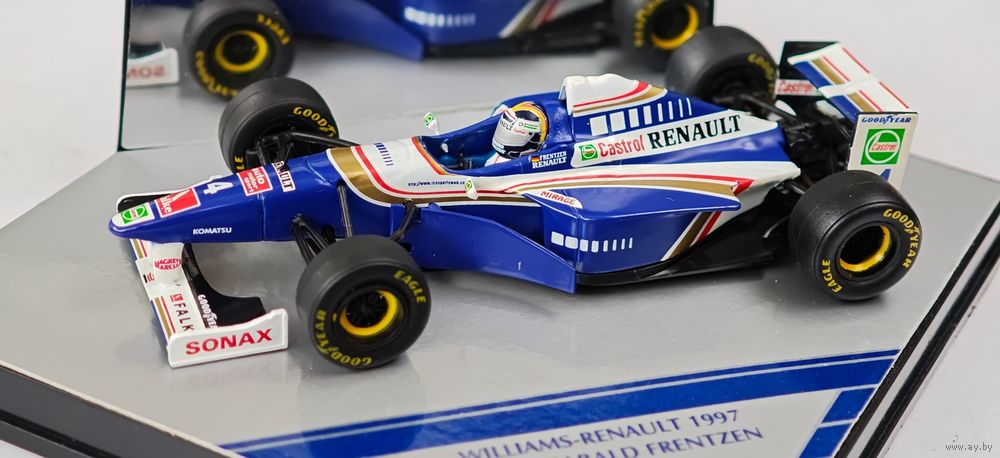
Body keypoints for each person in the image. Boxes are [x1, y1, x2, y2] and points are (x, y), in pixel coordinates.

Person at [485, 101, 548, 166]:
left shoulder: (494, 162)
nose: (505, 138)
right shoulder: (495, 162)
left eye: (515, 137)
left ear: (535, 138)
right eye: (504, 132)